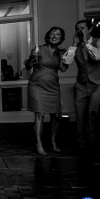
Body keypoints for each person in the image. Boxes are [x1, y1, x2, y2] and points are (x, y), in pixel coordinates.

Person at [25, 27, 68, 155]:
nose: (54, 36)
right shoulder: (38, 48)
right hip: (37, 86)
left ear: (61, 38)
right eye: (51, 33)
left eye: (58, 34)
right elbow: (28, 66)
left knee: (56, 116)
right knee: (40, 115)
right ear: (47, 36)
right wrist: (32, 58)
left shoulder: (60, 53)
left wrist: (66, 57)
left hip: (53, 87)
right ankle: (39, 144)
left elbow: (63, 69)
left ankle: (53, 141)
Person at [62, 20, 100, 152]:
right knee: (80, 115)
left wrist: (86, 42)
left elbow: (97, 57)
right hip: (81, 84)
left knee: (93, 113)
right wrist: (74, 44)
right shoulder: (76, 46)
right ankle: (82, 141)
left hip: (98, 84)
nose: (80, 30)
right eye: (77, 28)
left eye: (83, 28)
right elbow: (66, 61)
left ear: (90, 29)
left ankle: (94, 143)